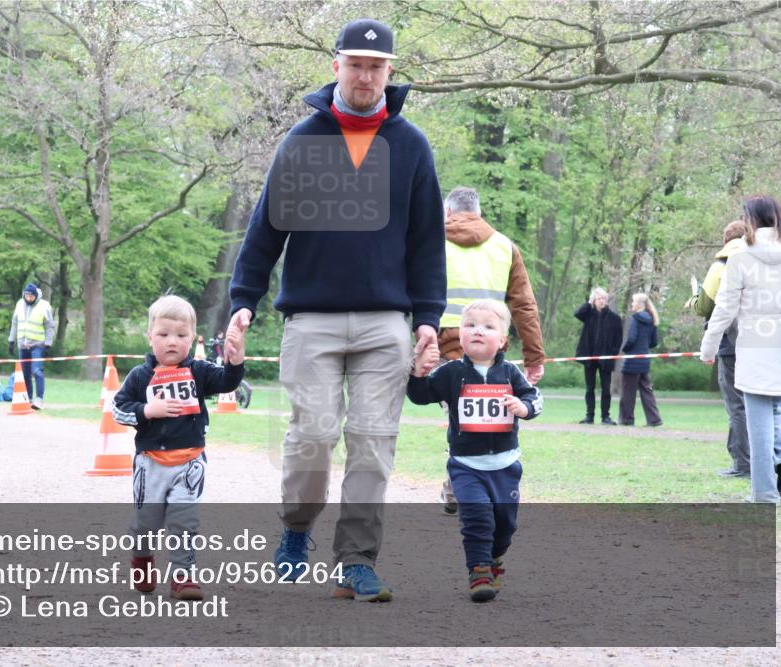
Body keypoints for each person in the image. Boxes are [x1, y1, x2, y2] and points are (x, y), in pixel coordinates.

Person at [226, 18, 446, 602]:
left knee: (374, 440)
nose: (366, 76)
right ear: (336, 68)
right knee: (313, 436)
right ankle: (296, 530)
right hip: (312, 319)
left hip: (386, 322)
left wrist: (428, 318)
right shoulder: (301, 141)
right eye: (355, 65)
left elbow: (427, 242)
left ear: (389, 73)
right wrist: (242, 303)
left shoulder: (411, 145)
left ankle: (357, 560)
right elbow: (265, 229)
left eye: (376, 67)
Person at [407, 300, 543, 602]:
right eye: (469, 325)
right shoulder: (451, 372)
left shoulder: (510, 373)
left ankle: (494, 557)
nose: (477, 331)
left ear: (502, 339)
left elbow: (533, 397)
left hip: (505, 465)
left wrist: (525, 407)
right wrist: (417, 373)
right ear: (460, 335)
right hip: (465, 465)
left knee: (505, 524)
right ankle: (479, 570)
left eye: (488, 326)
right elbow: (421, 396)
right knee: (477, 516)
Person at [112, 296, 245, 600]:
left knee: (184, 521)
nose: (172, 342)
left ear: (192, 337)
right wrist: (147, 410)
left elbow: (226, 382)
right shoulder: (139, 377)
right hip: (151, 463)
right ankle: (142, 560)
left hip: (190, 463)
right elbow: (118, 409)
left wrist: (234, 360)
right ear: (150, 336)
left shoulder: (199, 371)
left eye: (181, 335)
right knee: (147, 523)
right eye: (164, 335)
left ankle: (182, 577)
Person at [436, 186, 546, 513]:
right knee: (479, 420)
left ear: (448, 213)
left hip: (444, 347)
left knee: (460, 417)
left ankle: (458, 488)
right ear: (479, 212)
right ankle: (464, 487)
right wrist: (534, 356)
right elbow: (524, 306)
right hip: (491, 351)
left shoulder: (431, 243)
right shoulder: (504, 247)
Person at [700, 194, 781, 503]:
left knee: (758, 422)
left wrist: (708, 347)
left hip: (753, 345)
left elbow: (725, 309)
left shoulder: (741, 257)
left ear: (750, 221)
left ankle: (765, 493)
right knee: (776, 408)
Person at [689, 220, 750, 477]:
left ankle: (742, 463)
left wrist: (693, 299)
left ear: (726, 240)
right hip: (763, 342)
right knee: (762, 404)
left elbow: (705, 306)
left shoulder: (721, 265)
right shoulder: (761, 261)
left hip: (731, 343)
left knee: (736, 405)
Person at [574, 288, 623, 425]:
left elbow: (618, 340)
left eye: (603, 298)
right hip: (589, 358)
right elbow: (577, 313)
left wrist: (612, 353)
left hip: (605, 359)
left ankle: (605, 417)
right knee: (590, 388)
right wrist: (588, 302)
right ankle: (589, 416)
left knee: (606, 389)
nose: (601, 301)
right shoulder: (588, 314)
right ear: (594, 301)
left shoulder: (614, 318)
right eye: (598, 298)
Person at [619, 293, 663, 427]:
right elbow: (654, 342)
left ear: (639, 305)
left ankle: (626, 420)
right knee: (647, 391)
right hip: (645, 359)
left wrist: (625, 349)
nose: (632, 305)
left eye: (633, 302)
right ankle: (654, 420)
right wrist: (644, 347)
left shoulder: (636, 319)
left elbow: (631, 338)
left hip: (632, 360)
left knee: (628, 392)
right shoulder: (652, 320)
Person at [8, 283, 54, 410]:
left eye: (31, 296)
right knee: (25, 373)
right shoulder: (19, 304)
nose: (28, 298)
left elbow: (49, 326)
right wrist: (11, 340)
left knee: (37, 371)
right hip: (22, 345)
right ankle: (28, 398)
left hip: (37, 345)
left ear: (35, 296)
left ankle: (39, 399)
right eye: (27, 296)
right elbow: (14, 323)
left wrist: (48, 344)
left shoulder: (44, 306)